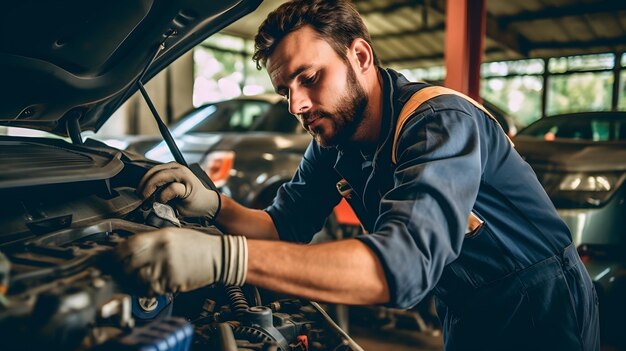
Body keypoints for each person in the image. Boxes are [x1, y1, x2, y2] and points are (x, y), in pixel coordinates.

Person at [115, 0, 600, 350]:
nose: (298, 105)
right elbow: (285, 225)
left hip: (540, 301)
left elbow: (401, 266)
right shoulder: (334, 139)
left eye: (309, 77)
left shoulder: (439, 124)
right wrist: (215, 205)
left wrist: (225, 258)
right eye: (286, 90)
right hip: (463, 304)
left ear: (360, 57)